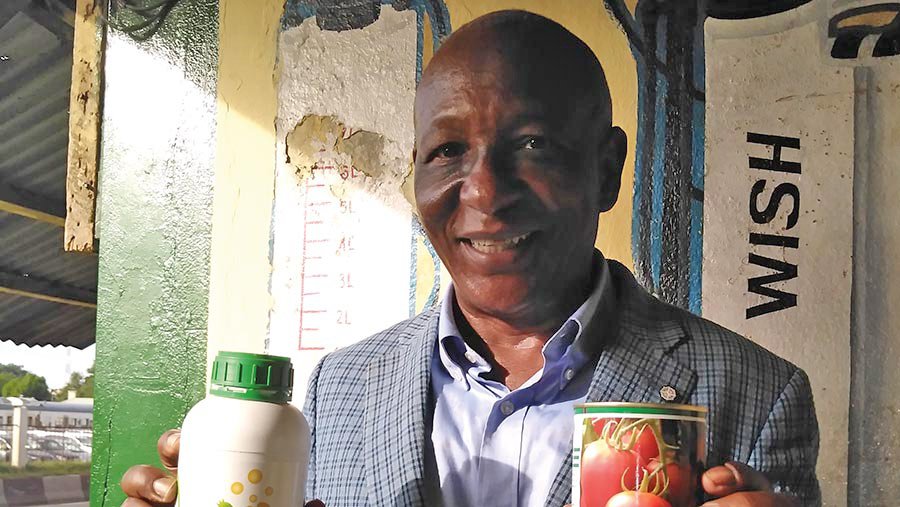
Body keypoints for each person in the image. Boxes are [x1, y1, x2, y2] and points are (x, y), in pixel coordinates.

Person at [121, 10, 819, 507]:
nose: (484, 191)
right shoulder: (340, 387)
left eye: (535, 144)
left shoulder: (759, 396)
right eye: (449, 151)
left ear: (607, 170)